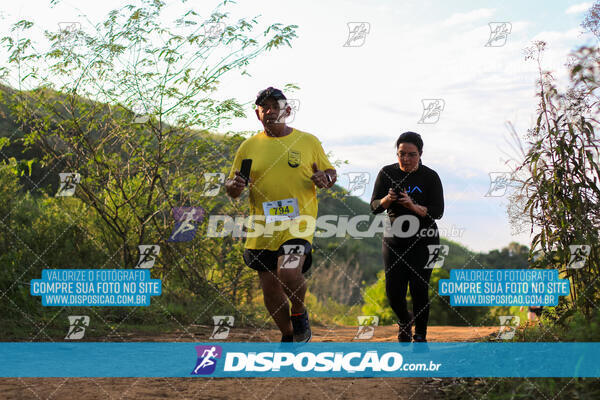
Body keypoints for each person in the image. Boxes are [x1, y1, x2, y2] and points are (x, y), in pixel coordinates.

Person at [225, 87, 337, 342]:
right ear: (258, 114)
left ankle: (299, 313)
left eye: (275, 107)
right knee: (270, 289)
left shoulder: (308, 141)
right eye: (265, 108)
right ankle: (289, 334)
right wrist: (234, 187)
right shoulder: (248, 146)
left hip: (298, 223)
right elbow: (232, 186)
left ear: (287, 111)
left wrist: (325, 178)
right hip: (263, 226)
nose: (270, 111)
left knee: (288, 272)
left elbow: (330, 172)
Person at [370, 132, 444, 343]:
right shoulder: (386, 172)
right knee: (394, 293)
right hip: (394, 240)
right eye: (401, 154)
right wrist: (387, 199)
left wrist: (412, 205)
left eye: (411, 155)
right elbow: (374, 207)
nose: (406, 159)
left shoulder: (430, 176)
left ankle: (420, 336)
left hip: (425, 240)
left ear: (420, 154)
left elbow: (438, 212)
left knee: (420, 288)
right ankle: (405, 320)